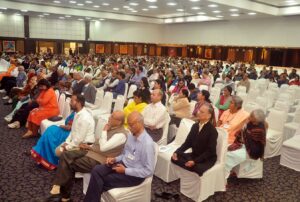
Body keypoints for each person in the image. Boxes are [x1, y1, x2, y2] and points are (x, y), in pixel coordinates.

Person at [44, 111, 128, 202]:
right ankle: (61, 192)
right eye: (111, 115)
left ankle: (62, 193)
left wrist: (104, 131)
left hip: (101, 159)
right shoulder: (111, 127)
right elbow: (98, 144)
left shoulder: (121, 135)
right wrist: (89, 146)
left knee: (68, 164)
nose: (109, 118)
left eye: (112, 117)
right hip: (91, 152)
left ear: (119, 122)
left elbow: (103, 148)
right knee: (65, 155)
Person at [84, 111, 155, 202]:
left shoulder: (147, 144)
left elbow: (148, 171)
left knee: (101, 179)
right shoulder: (130, 136)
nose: (129, 127)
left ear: (139, 123)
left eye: (131, 125)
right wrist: (115, 159)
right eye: (128, 124)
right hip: (122, 164)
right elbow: (125, 154)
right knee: (96, 169)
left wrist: (125, 171)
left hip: (134, 175)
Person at [171, 103, 218, 176]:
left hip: (206, 158)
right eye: (199, 110)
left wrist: (194, 161)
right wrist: (177, 152)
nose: (198, 112)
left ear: (209, 116)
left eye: (202, 112)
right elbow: (187, 143)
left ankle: (191, 164)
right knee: (174, 158)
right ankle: (190, 163)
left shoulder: (212, 131)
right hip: (195, 155)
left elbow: (210, 151)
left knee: (197, 168)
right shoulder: (195, 126)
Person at [225, 109, 267, 178]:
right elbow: (243, 133)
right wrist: (240, 139)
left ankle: (225, 176)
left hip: (252, 150)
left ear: (256, 120)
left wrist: (243, 137)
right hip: (244, 145)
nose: (249, 116)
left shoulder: (259, 129)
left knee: (230, 155)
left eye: (251, 116)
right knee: (226, 150)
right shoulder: (250, 122)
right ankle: (228, 170)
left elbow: (252, 142)